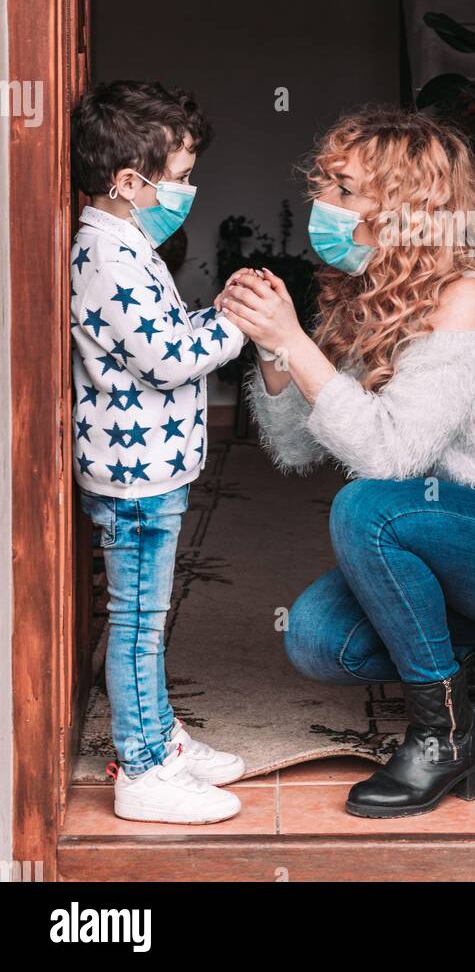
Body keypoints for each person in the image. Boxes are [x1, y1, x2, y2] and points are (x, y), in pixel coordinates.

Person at [220, 105, 475, 820]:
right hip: (449, 549)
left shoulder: (470, 301)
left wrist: (301, 347)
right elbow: (291, 447)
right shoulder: (366, 300)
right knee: (317, 640)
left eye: (343, 190)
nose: (323, 205)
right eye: (325, 185)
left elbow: (389, 453)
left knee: (372, 508)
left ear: (406, 208)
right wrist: (275, 347)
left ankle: (445, 736)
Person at [70, 80, 247, 824]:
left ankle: (159, 736)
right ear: (128, 181)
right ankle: (140, 771)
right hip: (134, 481)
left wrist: (214, 312)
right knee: (140, 620)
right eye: (176, 178)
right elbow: (167, 358)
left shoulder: (126, 241)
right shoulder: (108, 255)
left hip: (146, 470)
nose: (186, 192)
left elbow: (162, 335)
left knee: (146, 617)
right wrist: (240, 321)